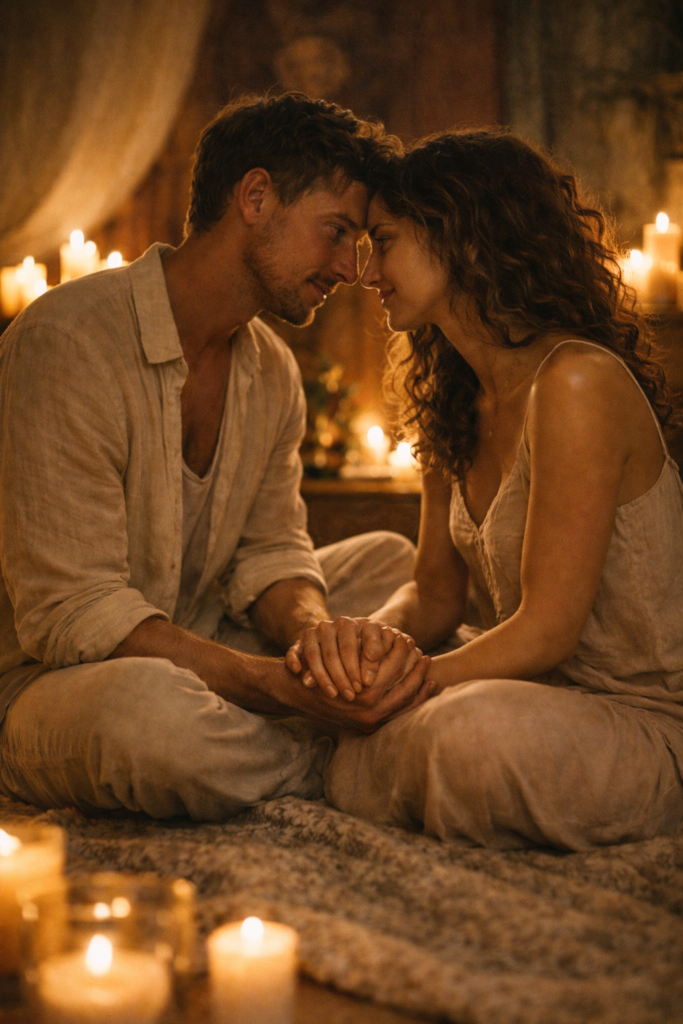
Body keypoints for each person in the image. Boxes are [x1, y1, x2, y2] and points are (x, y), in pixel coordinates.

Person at [0, 93, 433, 821]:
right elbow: (74, 615)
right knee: (152, 723)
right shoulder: (67, 343)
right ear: (256, 197)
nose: (350, 268)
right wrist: (270, 685)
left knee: (390, 564)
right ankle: (355, 755)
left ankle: (309, 730)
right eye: (336, 233)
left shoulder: (269, 368)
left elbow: (270, 551)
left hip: (200, 632)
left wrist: (313, 640)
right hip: (58, 682)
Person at [301, 128, 683, 850]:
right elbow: (435, 596)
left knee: (463, 732)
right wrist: (371, 650)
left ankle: (374, 766)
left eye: (383, 240)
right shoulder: (453, 395)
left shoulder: (576, 380)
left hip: (640, 722)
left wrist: (407, 685)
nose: (363, 268)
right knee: (351, 660)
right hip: (533, 695)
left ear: (464, 237)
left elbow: (547, 629)